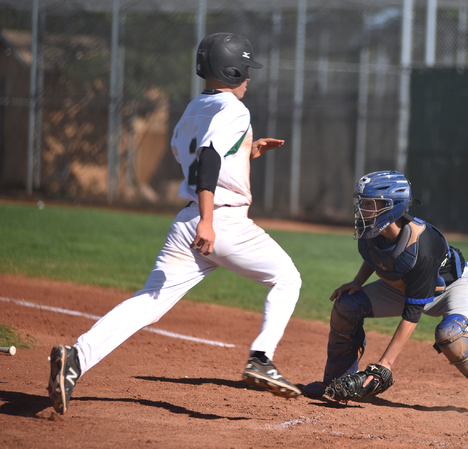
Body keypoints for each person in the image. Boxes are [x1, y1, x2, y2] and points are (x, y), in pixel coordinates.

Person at [47, 33, 303, 415]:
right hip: (219, 220)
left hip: (188, 220)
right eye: (245, 70)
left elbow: (197, 154)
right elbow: (207, 161)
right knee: (287, 279)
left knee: (149, 301)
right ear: (230, 70)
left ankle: (75, 358)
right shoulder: (234, 109)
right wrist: (209, 220)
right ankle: (261, 358)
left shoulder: (193, 108)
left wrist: (247, 150)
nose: (249, 78)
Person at [302, 170, 468, 418]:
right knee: (347, 305)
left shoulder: (422, 246)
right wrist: (357, 282)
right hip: (404, 285)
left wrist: (385, 364)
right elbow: (377, 257)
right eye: (362, 203)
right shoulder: (372, 230)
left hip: (454, 287)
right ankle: (336, 383)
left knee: (450, 334)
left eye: (370, 204)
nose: (362, 210)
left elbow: (412, 313)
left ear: (391, 207)